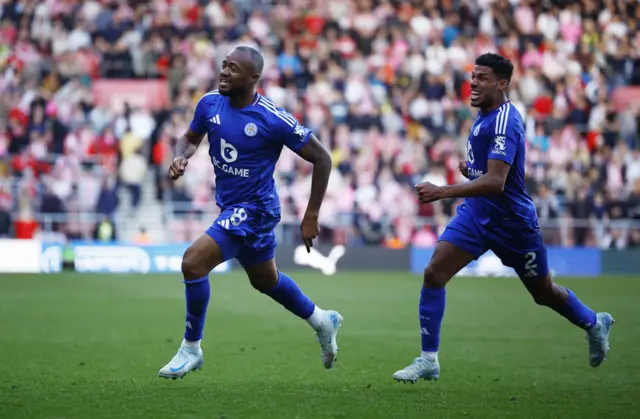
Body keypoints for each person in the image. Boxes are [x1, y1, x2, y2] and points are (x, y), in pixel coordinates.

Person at [393, 53, 614, 383]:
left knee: (543, 293)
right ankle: (429, 359)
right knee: (434, 272)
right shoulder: (483, 116)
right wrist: (473, 172)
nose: (473, 83)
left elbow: (497, 183)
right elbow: (491, 175)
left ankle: (594, 323)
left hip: (512, 223)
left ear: (502, 84)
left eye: (482, 78)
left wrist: (443, 191)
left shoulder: (505, 120)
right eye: (473, 76)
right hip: (477, 214)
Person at [158, 46, 343, 379]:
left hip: (256, 208)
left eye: (233, 68)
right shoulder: (209, 103)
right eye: (224, 65)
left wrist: (311, 214)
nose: (224, 72)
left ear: (253, 78)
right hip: (231, 205)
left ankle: (190, 349)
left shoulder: (271, 117)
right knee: (265, 280)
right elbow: (188, 139)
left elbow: (322, 158)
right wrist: (180, 156)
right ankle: (322, 320)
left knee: (193, 261)